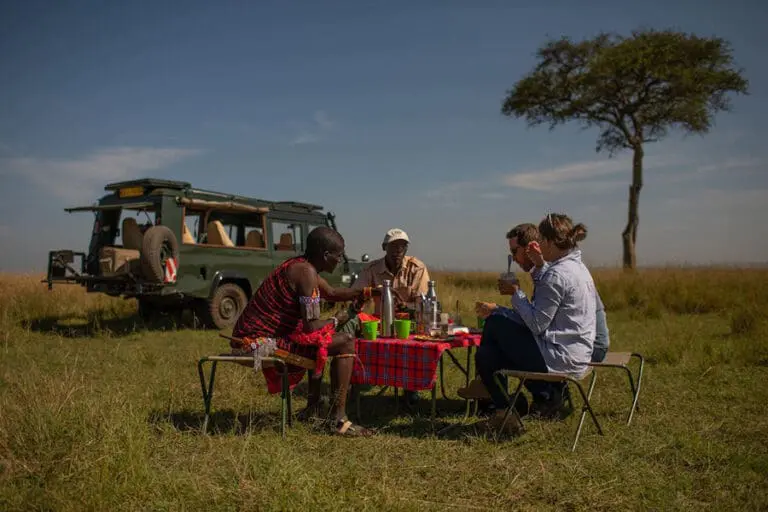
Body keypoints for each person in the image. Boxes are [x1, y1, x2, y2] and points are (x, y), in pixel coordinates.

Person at [230, 226, 378, 436]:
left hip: (254, 336)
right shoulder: (306, 273)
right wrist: (338, 319)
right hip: (258, 341)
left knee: (321, 340)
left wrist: (366, 291)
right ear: (326, 255)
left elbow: (333, 292)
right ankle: (338, 420)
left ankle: (314, 407)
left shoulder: (303, 267)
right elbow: (310, 326)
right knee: (345, 341)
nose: (340, 259)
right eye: (338, 254)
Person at [469, 214, 599, 433]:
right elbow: (542, 314)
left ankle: (507, 404)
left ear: (547, 242)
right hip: (574, 351)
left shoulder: (558, 274)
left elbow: (537, 325)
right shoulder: (575, 268)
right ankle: (507, 405)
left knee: (494, 326)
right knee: (486, 354)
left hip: (561, 356)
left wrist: (516, 294)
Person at [340, 228, 430, 406]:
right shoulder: (372, 269)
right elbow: (356, 293)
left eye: (402, 247)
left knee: (416, 336)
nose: (398, 251)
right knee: (352, 324)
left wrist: (406, 307)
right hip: (380, 321)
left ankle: (411, 387)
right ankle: (356, 378)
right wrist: (371, 292)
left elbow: (423, 302)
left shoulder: (416, 267)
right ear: (384, 247)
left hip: (409, 320)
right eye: (394, 246)